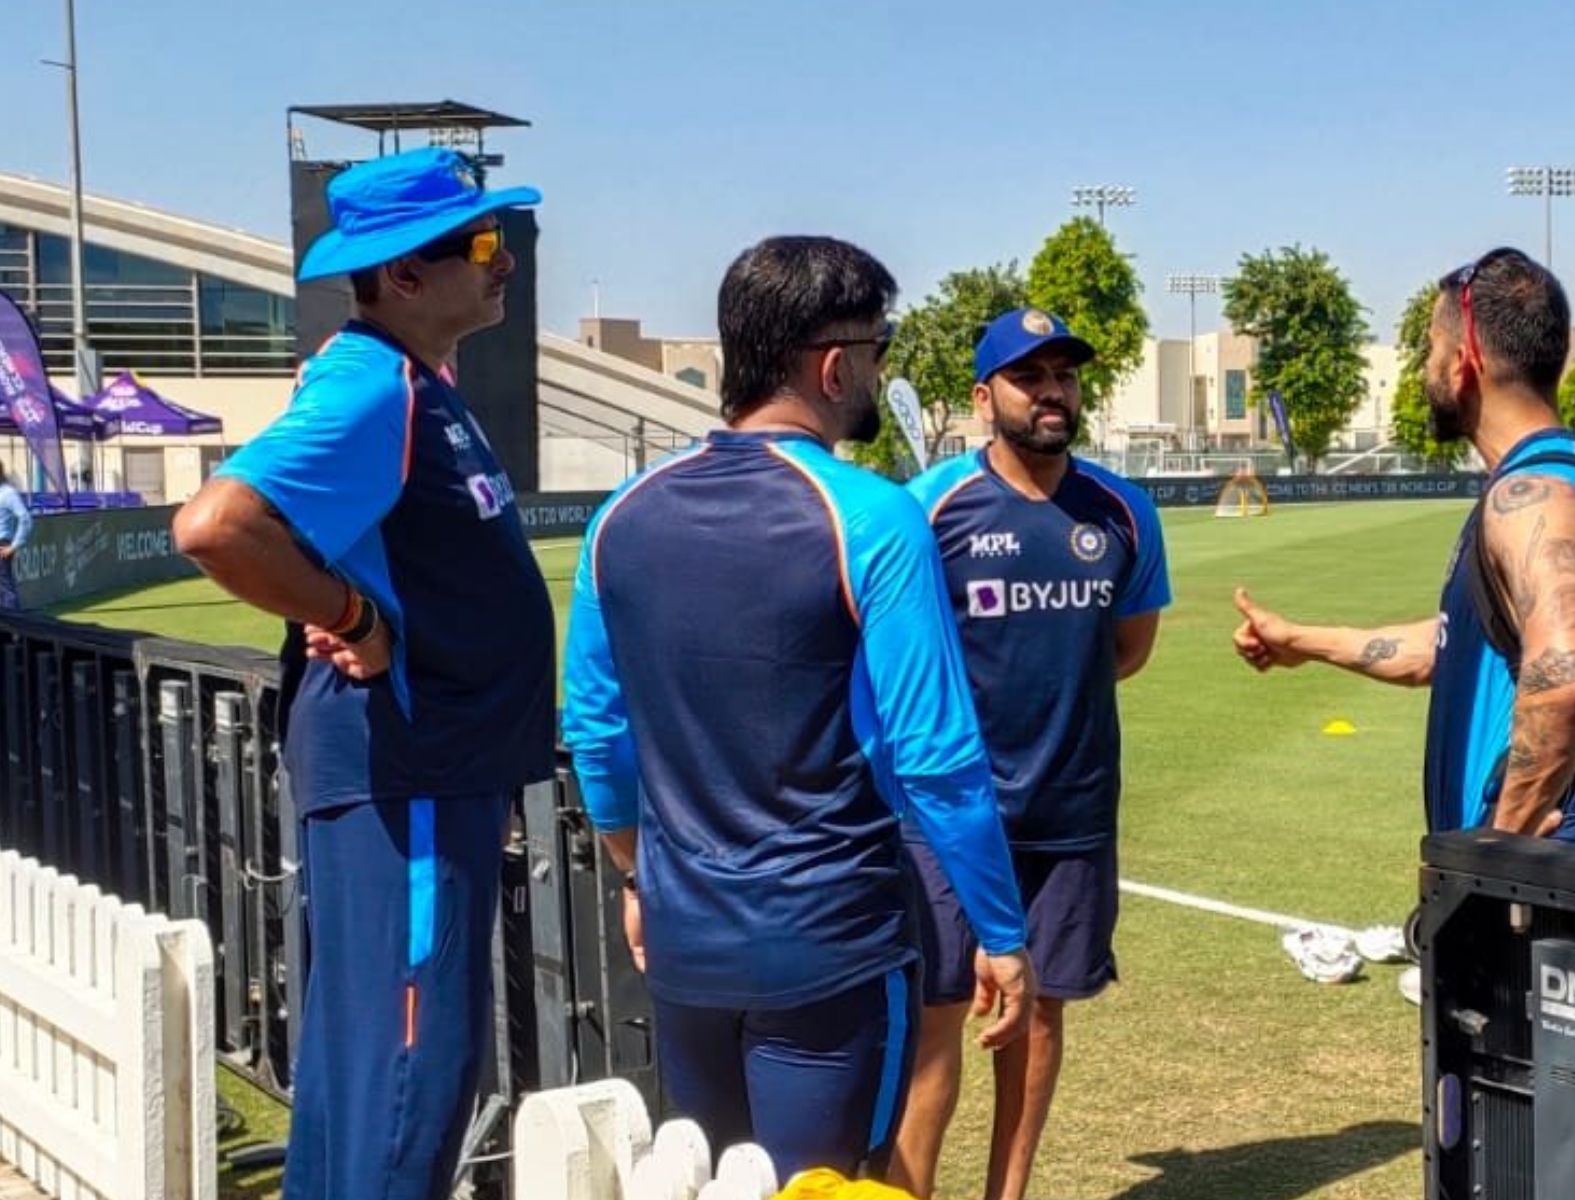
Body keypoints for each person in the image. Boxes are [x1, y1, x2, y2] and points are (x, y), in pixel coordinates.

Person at [562, 236, 1037, 1184]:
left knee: (720, 1179)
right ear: (832, 364)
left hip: (689, 949)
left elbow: (596, 736)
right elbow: (938, 760)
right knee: (829, 1186)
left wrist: (635, 876)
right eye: (879, 345)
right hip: (832, 947)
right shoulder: (869, 515)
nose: (880, 366)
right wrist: (1002, 934)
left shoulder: (621, 516)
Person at [172, 147, 552, 1200]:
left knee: (371, 1079)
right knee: (407, 1088)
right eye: (478, 244)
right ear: (404, 277)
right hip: (407, 784)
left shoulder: (418, 384)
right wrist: (353, 618)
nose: (502, 261)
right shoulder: (371, 382)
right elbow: (217, 525)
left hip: (430, 778)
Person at [891, 309, 1171, 1200]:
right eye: (1028, 376)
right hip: (944, 815)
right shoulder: (929, 508)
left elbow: (1126, 649)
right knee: (937, 1019)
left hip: (1071, 807)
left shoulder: (1124, 511)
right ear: (985, 398)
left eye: (1065, 375)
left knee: (1040, 1015)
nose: (1052, 392)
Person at [1233, 248, 1575, 846]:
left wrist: (1499, 852)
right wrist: (1302, 641)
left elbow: (1569, 672)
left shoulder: (1533, 495)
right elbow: (1448, 648)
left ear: (1464, 363)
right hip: (1518, 881)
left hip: (1528, 891)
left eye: (1429, 350)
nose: (1424, 369)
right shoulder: (1556, 477)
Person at [0, 466, 32, 611]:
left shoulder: (8, 493)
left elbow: (25, 518)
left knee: (6, 591)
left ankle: (15, 630)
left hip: (2, 545)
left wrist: (14, 546)